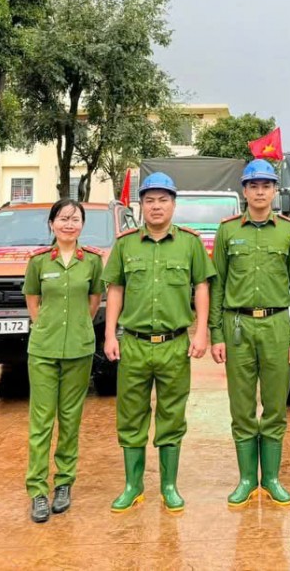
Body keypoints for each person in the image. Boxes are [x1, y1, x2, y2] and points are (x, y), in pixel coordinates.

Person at [102, 172, 214, 514]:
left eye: (163, 200)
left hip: (173, 343)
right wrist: (109, 334)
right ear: (141, 205)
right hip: (134, 343)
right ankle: (133, 485)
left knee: (171, 415)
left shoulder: (190, 243)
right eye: (149, 200)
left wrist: (201, 332)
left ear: (174, 205)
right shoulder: (125, 244)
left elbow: (201, 288)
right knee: (131, 416)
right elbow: (116, 290)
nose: (156, 206)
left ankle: (168, 485)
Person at [209, 159, 290, 506]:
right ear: (245, 191)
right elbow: (217, 284)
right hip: (237, 326)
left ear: (274, 191)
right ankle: (247, 478)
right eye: (254, 186)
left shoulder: (288, 231)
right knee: (241, 406)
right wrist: (215, 334)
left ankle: (272, 478)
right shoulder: (228, 231)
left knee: (276, 406)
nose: (260, 191)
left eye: (266, 186)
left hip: (277, 325)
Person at [22, 199, 104, 524]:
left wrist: (78, 328)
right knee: (41, 421)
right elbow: (32, 301)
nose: (69, 224)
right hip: (43, 350)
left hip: (79, 351)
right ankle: (37, 490)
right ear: (52, 223)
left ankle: (64, 483)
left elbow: (94, 302)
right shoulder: (39, 262)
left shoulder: (93, 262)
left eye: (75, 219)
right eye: (63, 218)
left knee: (70, 420)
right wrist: (47, 327)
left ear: (82, 225)